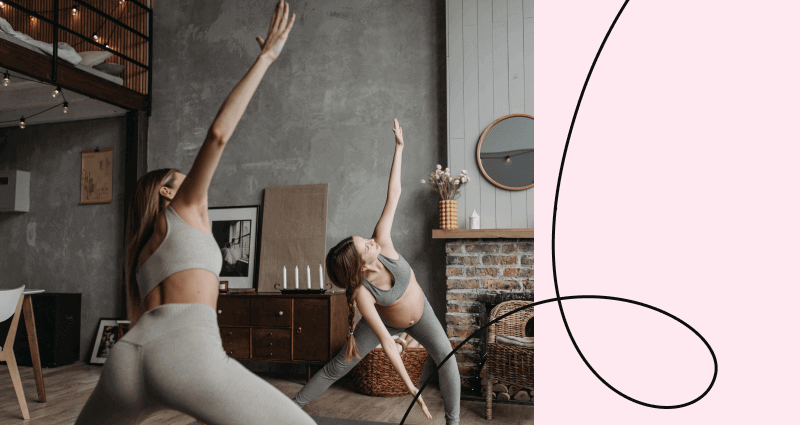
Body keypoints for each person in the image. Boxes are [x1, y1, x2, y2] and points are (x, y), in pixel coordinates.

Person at [75, 2, 314, 424]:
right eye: (182, 178)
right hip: (185, 356)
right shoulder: (185, 209)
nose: (195, 184)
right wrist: (266, 58)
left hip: (127, 357)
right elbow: (218, 136)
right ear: (166, 192)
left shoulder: (143, 249)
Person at [292, 119, 461, 425]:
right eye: (365, 246)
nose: (370, 240)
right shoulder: (361, 293)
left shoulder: (382, 241)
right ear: (360, 265)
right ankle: (291, 408)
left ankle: (453, 423)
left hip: (422, 315)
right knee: (339, 366)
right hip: (385, 322)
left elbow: (393, 193)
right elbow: (385, 340)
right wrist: (411, 386)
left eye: (365, 239)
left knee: (447, 359)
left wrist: (399, 147)